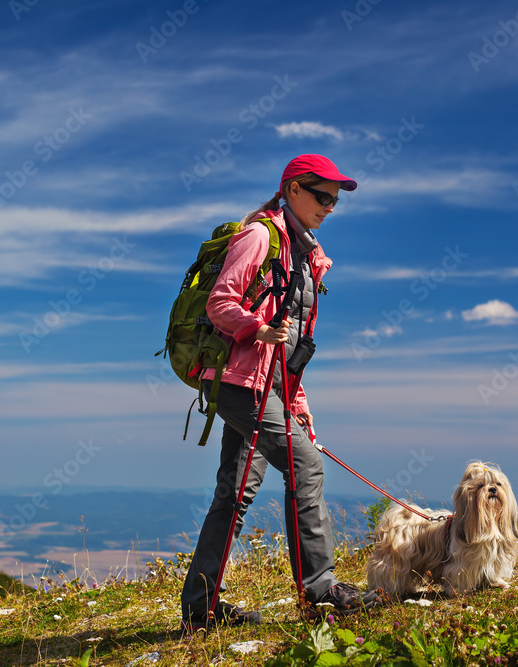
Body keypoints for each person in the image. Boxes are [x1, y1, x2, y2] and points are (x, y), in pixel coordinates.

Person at [180, 154, 380, 630]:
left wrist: (298, 403)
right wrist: (256, 328)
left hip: (263, 385)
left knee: (234, 492)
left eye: (335, 200)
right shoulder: (260, 236)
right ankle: (321, 592)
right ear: (293, 189)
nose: (329, 206)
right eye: (322, 195)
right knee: (305, 467)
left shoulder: (305, 254)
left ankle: (200, 610)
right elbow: (221, 301)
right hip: (236, 381)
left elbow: (292, 346)